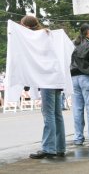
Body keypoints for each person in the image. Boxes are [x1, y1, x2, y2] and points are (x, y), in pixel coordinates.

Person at [23, 16, 66, 159]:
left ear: (28, 27)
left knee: (49, 115)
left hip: (47, 78)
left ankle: (48, 148)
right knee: (57, 115)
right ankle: (60, 147)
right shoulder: (47, 34)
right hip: (56, 76)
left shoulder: (35, 38)